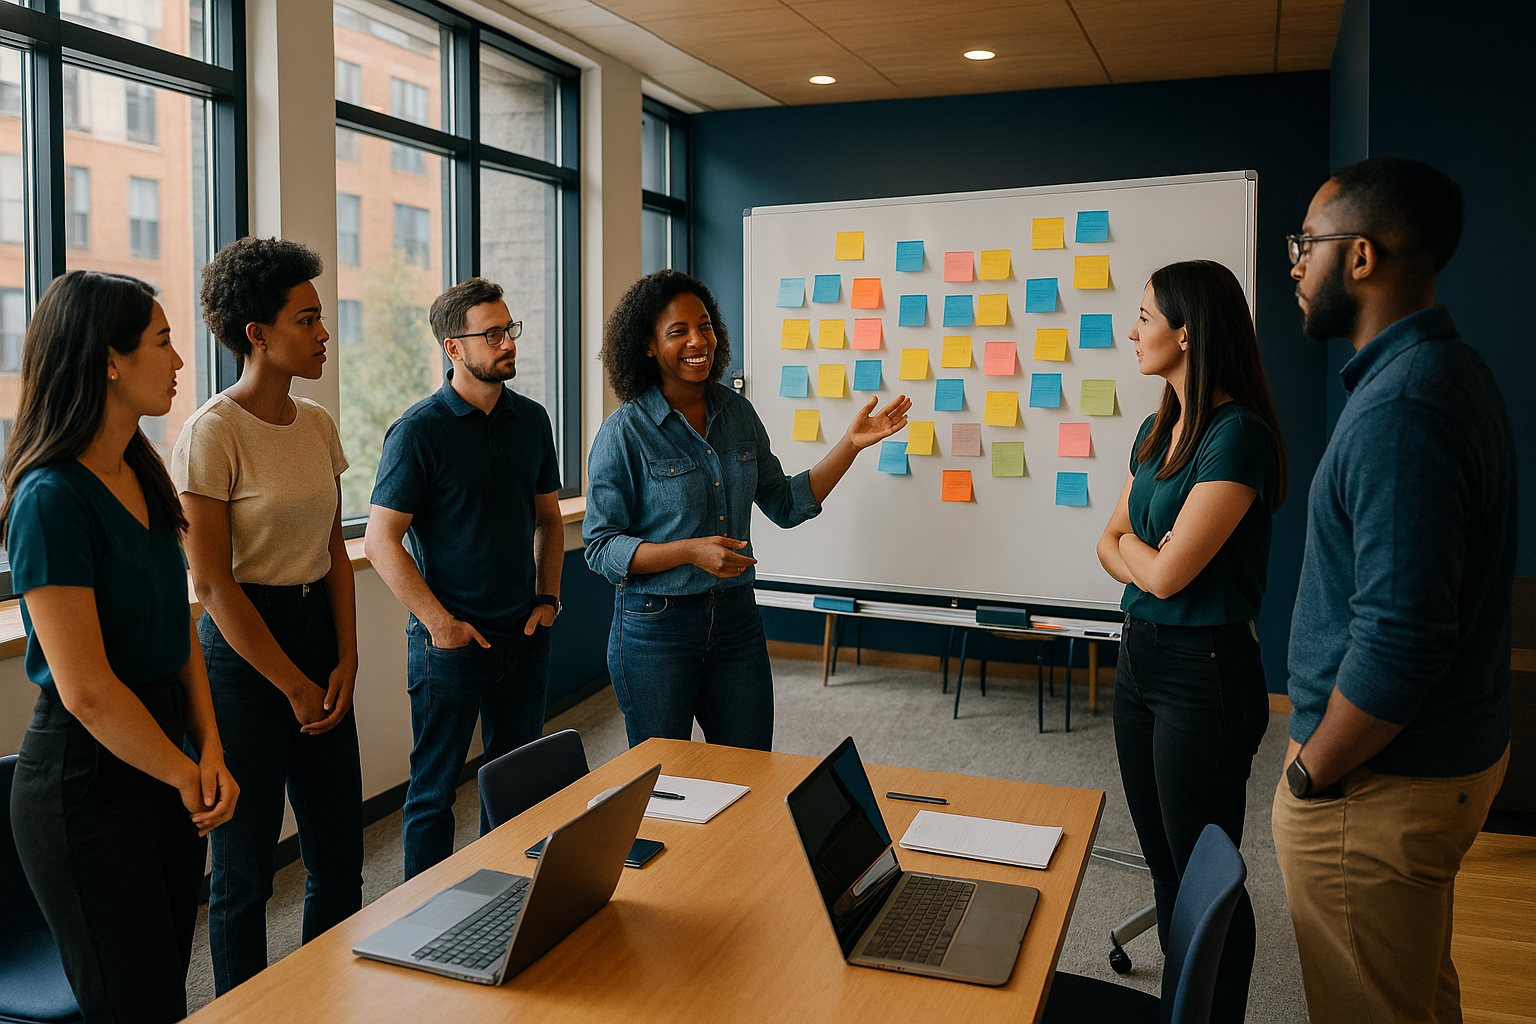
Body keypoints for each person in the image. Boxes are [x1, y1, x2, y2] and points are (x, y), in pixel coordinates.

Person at [1273, 157, 1514, 1024]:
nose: (1294, 264)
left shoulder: (1402, 409)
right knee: (1409, 993)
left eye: (1306, 242)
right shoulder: (1444, 373)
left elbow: (1403, 636)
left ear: (1362, 257)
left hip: (1375, 788)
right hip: (1435, 765)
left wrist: (1310, 772)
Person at [4, 271, 238, 1022]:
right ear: (109, 359)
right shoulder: (50, 497)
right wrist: (183, 772)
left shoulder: (142, 468)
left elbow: (182, 631)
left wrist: (209, 753)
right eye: (163, 343)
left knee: (165, 988)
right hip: (85, 783)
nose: (178, 362)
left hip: (164, 757)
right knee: (132, 1003)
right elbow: (88, 691)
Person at [584, 269, 911, 750]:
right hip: (657, 627)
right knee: (663, 780)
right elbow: (601, 548)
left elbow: (784, 503)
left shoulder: (737, 413)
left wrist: (850, 445)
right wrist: (690, 551)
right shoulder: (624, 432)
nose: (699, 341)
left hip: (736, 618)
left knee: (750, 768)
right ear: (648, 345)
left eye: (705, 326)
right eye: (678, 331)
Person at [1095, 260, 1287, 1023]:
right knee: (1166, 871)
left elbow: (1166, 575)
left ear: (1187, 331)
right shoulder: (1155, 427)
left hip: (1203, 672)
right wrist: (1152, 558)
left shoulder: (1238, 435)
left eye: (1144, 316)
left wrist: (1146, 562)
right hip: (1140, 659)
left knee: (1210, 882)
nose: (1132, 331)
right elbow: (1107, 542)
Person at [173, 238, 362, 993]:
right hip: (246, 658)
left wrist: (347, 658)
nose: (323, 335)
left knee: (339, 860)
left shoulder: (316, 424)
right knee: (246, 872)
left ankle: (322, 1003)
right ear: (257, 333)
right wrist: (290, 684)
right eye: (307, 319)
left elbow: (336, 554)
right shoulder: (211, 434)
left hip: (319, 636)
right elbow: (214, 585)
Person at [364, 277, 563, 880]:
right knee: (434, 792)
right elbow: (380, 540)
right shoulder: (418, 430)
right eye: (492, 333)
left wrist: (548, 599)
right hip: (450, 647)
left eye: (510, 329)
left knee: (519, 783)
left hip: (523, 636)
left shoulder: (531, 420)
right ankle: (421, 920)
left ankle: (503, 902)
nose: (508, 342)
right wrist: (440, 625)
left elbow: (550, 521)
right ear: (454, 349)